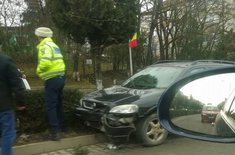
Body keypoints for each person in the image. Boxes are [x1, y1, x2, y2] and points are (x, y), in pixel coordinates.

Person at [34, 27, 66, 141]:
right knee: (58, 104)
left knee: (50, 106)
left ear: (40, 36)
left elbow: (46, 62)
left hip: (52, 79)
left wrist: (38, 71)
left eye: (37, 36)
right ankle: (63, 127)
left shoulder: (44, 46)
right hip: (61, 77)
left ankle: (55, 132)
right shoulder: (54, 45)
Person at [0, 44, 26, 155]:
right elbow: (16, 83)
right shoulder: (5, 60)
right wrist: (21, 102)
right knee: (7, 133)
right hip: (3, 106)